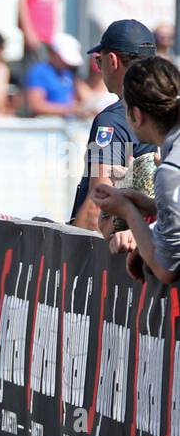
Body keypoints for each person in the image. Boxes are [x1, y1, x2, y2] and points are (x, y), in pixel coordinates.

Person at [93, 56, 180, 286]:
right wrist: (151, 206)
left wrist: (129, 213)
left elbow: (166, 268)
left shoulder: (170, 170)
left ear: (137, 116)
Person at [68, 19, 158, 234]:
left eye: (99, 61)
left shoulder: (113, 121)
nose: (100, 68)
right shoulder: (170, 108)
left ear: (112, 60)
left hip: (123, 253)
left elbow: (96, 208)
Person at [23, 33, 85, 117]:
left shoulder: (68, 73)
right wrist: (69, 109)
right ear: (52, 53)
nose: (66, 64)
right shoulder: (40, 72)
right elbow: (35, 105)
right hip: (47, 126)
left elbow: (80, 96)